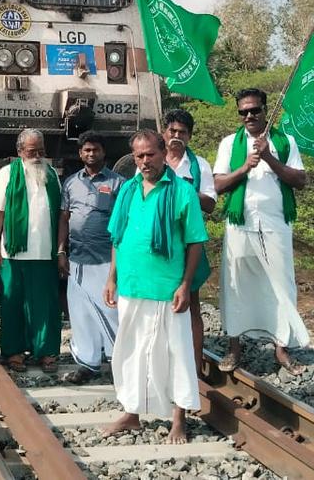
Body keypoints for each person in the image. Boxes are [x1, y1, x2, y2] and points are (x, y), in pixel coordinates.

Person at [102, 130, 206, 444]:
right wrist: (111, 277)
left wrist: (185, 285)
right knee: (132, 351)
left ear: (163, 152)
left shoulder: (181, 192)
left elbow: (195, 242)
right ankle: (132, 413)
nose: (145, 161)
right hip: (132, 285)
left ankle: (179, 418)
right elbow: (117, 238)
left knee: (175, 352)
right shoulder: (129, 190)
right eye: (139, 156)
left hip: (166, 287)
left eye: (150, 154)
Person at [213, 87, 309, 373]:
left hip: (276, 223)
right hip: (240, 224)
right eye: (243, 112)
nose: (249, 116)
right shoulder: (230, 143)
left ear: (265, 110)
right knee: (235, 284)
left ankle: (282, 349)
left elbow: (300, 180)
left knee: (282, 284)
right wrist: (244, 167)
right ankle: (234, 349)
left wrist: (268, 157)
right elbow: (218, 185)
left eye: (254, 110)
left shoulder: (285, 141)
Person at [0, 129, 63, 373]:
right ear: (20, 152)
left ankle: (46, 352)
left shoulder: (51, 174)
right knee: (13, 304)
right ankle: (14, 352)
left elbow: (62, 215)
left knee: (46, 305)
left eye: (41, 150)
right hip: (13, 254)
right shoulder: (7, 173)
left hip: (45, 253)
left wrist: (61, 250)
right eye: (32, 151)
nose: (38, 155)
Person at [57, 130, 122, 384]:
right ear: (80, 153)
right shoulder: (71, 182)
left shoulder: (119, 183)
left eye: (95, 149)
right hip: (77, 259)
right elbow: (64, 218)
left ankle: (120, 363)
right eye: (86, 150)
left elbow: (123, 223)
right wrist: (61, 251)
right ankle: (88, 363)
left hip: (107, 259)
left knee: (111, 312)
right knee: (81, 313)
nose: (91, 153)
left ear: (103, 152)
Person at [162, 108, 218, 374]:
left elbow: (211, 204)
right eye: (172, 131)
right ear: (164, 132)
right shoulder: (152, 160)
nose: (176, 136)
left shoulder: (200, 166)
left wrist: (186, 191)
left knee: (191, 304)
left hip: (187, 244)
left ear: (189, 136)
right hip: (158, 246)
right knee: (159, 305)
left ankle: (194, 371)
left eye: (182, 132)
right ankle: (163, 366)